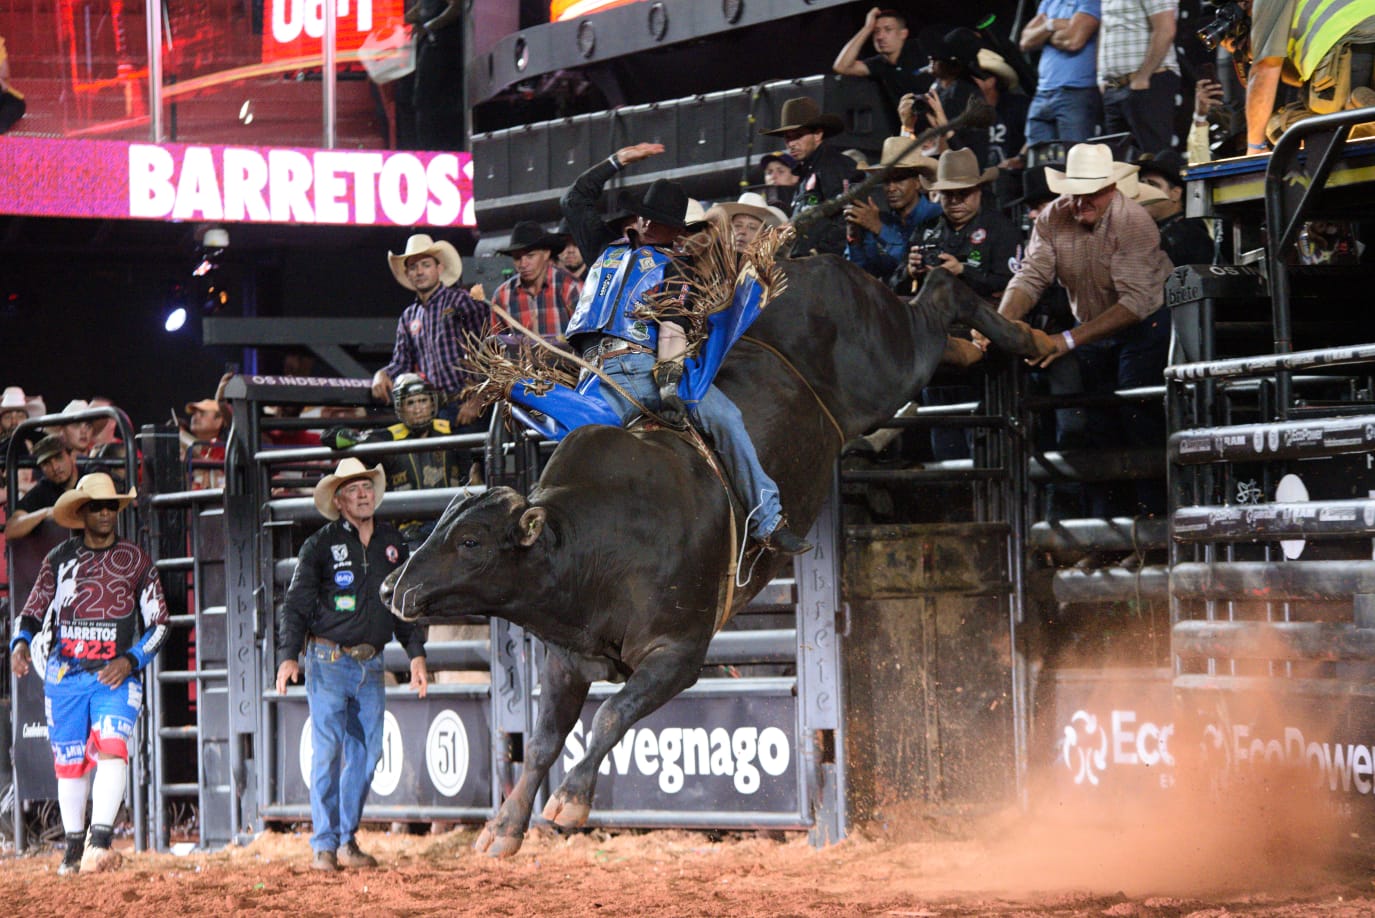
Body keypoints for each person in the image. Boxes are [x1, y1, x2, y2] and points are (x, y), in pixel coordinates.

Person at [563, 174, 812, 555]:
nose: (646, 223)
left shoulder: (607, 252)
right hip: (633, 373)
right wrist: (668, 383)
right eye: (644, 216)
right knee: (726, 417)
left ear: (673, 230)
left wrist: (614, 164)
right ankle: (766, 520)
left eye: (654, 218)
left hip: (592, 383)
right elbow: (671, 329)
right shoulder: (673, 266)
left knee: (562, 439)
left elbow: (574, 200)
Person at [993, 143, 1173, 520]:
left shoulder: (1134, 222)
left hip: (1143, 329)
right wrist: (1000, 321)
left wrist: (1068, 340)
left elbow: (1136, 303)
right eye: (1074, 194)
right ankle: (1105, 532)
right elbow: (1031, 275)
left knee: (1138, 420)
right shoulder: (1053, 217)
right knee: (1097, 427)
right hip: (1093, 328)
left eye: (1090, 194)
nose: (1080, 203)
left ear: (1111, 189)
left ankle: (1152, 526)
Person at [9, 472, 169, 875]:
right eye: (96, 506)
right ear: (81, 512)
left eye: (110, 506)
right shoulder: (59, 559)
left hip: (114, 676)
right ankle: (74, 848)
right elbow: (32, 610)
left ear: (117, 510)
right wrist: (20, 643)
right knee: (69, 763)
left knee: (113, 747)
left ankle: (99, 842)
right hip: (65, 676)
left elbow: (160, 622)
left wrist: (130, 660)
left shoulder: (135, 559)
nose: (103, 513)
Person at [275, 458, 429, 871]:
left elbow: (404, 604)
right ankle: (326, 842)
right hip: (328, 660)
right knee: (328, 752)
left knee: (368, 753)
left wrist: (415, 653)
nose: (363, 495)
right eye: (354, 489)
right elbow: (297, 604)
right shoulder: (321, 545)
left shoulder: (392, 544)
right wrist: (289, 654)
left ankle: (344, 838)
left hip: (371, 663)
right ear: (340, 500)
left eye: (367, 487)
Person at [373, 234, 490, 429]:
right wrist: (382, 374)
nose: (419, 271)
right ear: (408, 274)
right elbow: (402, 363)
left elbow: (489, 351)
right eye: (413, 267)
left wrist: (479, 399)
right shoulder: (409, 316)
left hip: (470, 404)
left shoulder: (461, 302)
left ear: (439, 268)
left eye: (425, 265)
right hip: (436, 409)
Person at [1243, 0, 1375, 151]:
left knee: (1279, 125)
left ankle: (1357, 110)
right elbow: (1298, 78)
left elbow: (1265, 68)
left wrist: (1255, 146)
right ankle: (1361, 110)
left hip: (1350, 48)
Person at [892, 148, 1021, 301]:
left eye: (963, 193)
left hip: (980, 317)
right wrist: (909, 272)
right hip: (931, 315)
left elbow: (1012, 285)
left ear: (978, 191)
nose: (954, 200)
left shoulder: (1002, 230)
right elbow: (894, 286)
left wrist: (962, 271)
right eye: (948, 194)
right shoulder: (925, 229)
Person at [760, 97, 861, 257]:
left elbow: (847, 219)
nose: (791, 144)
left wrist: (818, 251)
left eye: (798, 136)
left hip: (832, 267)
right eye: (788, 137)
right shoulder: (807, 172)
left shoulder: (833, 166)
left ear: (818, 135)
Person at [844, 137, 940, 279]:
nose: (891, 188)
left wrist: (879, 228)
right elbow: (861, 273)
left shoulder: (936, 216)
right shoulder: (881, 219)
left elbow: (917, 264)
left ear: (918, 183)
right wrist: (854, 236)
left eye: (899, 179)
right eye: (886, 181)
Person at [1097, 0, 1180, 155]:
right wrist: (1101, 76)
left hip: (1149, 83)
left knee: (1154, 158)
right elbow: (1106, 29)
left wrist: (1144, 76)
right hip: (1114, 87)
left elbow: (1165, 29)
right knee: (1117, 163)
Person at [1020, 0, 1103, 144]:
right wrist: (1051, 25)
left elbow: (1073, 41)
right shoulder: (1049, 2)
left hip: (1076, 92)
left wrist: (1044, 34)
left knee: (1075, 157)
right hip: (1042, 92)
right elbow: (1025, 42)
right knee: (1037, 159)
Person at [490, 221, 583, 344]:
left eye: (530, 256)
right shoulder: (502, 296)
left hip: (565, 362)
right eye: (517, 258)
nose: (523, 264)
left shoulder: (571, 288)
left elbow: (587, 341)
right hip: (520, 362)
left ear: (546, 254)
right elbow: (496, 346)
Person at [832, 8, 929, 116]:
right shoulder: (880, 63)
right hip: (911, 129)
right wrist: (867, 28)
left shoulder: (921, 48)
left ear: (903, 34)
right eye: (876, 31)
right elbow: (841, 66)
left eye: (888, 30)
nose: (880, 37)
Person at [1134, 149, 1215, 266]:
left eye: (1152, 185)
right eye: (1141, 184)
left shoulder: (1191, 236)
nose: (1144, 191)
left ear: (1175, 194)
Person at [406, 0, 463, 150]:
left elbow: (458, 7)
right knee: (423, 101)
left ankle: (438, 148)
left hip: (443, 47)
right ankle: (428, 148)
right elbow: (423, 7)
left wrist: (430, 26)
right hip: (432, 45)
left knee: (433, 103)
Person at [5, 434, 78, 541]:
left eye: (59, 458)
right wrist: (46, 512)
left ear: (72, 457)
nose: (55, 467)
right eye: (46, 463)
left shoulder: (92, 476)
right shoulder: (44, 488)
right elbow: (12, 529)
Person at [712, 192, 790, 253]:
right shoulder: (713, 266)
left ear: (764, 236)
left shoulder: (769, 271)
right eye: (738, 225)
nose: (742, 231)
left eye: (752, 227)